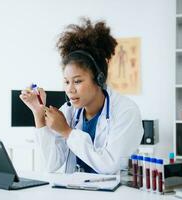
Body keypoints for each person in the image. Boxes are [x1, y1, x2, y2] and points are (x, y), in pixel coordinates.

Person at [19, 18, 143, 174]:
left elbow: (109, 166)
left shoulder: (126, 111)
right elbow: (50, 164)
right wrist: (38, 114)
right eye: (66, 82)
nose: (70, 89)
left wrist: (66, 131)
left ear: (99, 78)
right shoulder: (70, 111)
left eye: (77, 81)